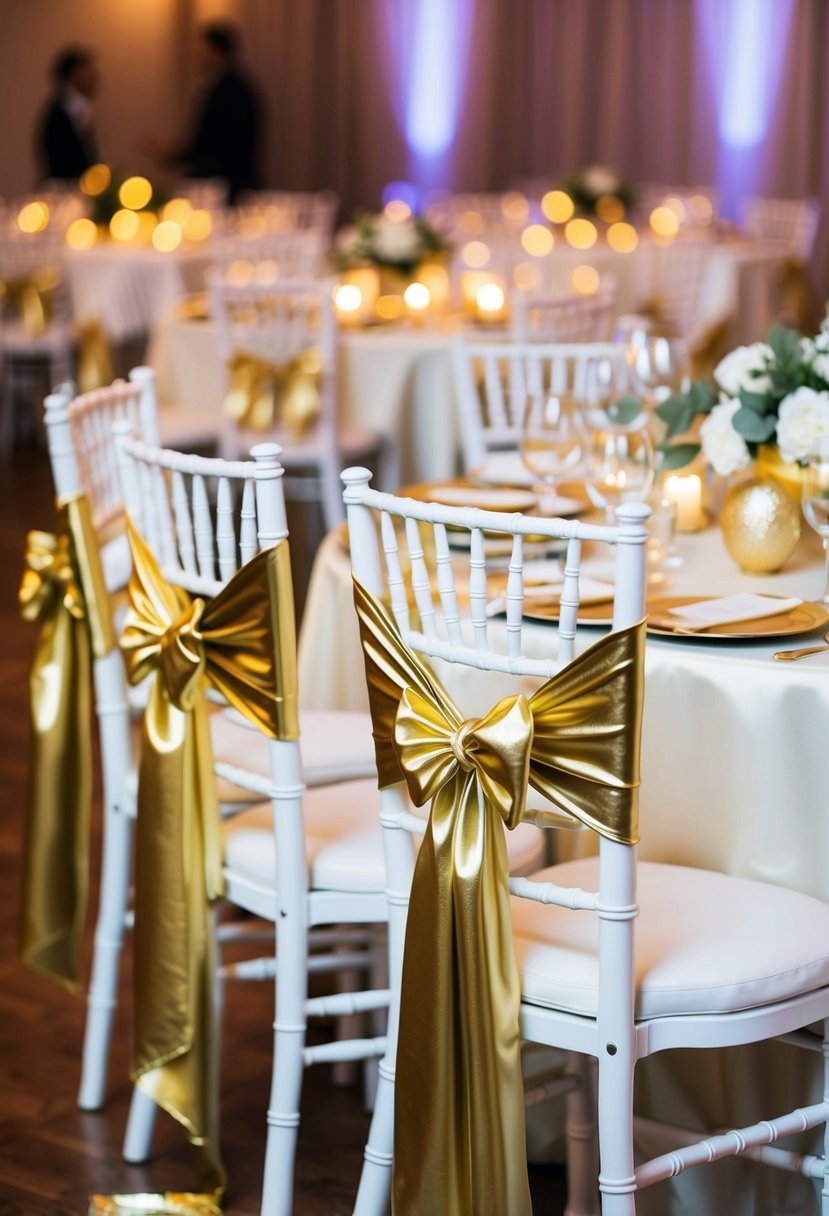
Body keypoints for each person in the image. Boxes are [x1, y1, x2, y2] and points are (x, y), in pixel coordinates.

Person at [144, 21, 262, 204]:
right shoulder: (228, 86)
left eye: (200, 50)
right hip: (225, 185)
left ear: (216, 51)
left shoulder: (229, 91)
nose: (195, 56)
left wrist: (173, 152)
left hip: (224, 189)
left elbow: (215, 145)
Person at [36, 46, 100, 182]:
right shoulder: (70, 106)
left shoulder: (73, 104)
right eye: (89, 73)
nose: (94, 78)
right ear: (75, 73)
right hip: (69, 184)